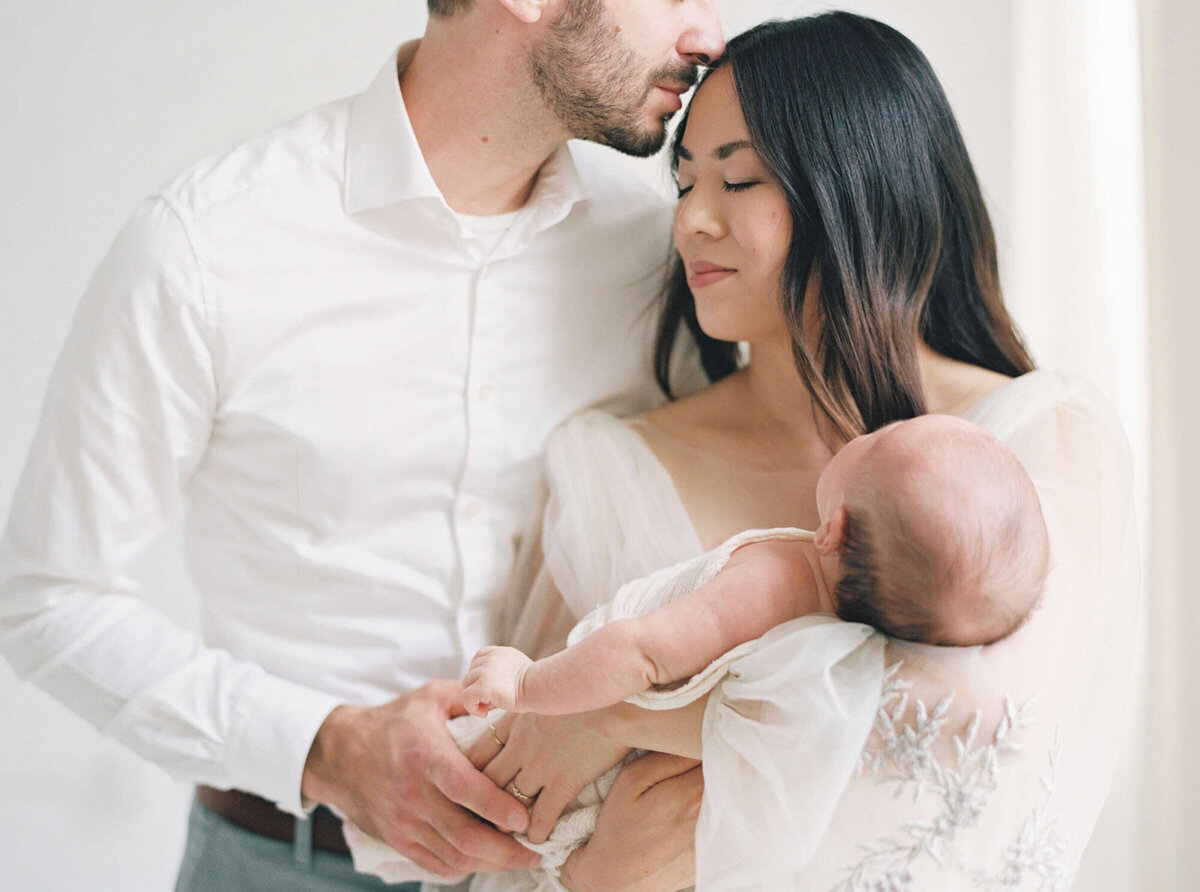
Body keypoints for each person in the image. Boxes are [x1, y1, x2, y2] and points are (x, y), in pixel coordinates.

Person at [0, 1, 726, 890]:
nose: (708, 35)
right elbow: (46, 598)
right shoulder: (206, 247)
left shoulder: (666, 247)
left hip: (586, 868)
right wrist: (325, 747)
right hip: (281, 864)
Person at [453, 13, 1137, 891]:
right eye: (685, 181)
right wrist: (605, 873)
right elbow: (502, 810)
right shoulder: (612, 467)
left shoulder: (1038, 437)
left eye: (737, 181)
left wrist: (619, 714)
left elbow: (966, 731)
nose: (691, 222)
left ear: (861, 188)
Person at [462, 414, 1050, 719]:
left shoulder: (772, 585)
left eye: (882, 436)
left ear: (835, 529)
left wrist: (526, 682)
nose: (871, 428)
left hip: (578, 707)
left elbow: (642, 653)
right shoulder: (846, 636)